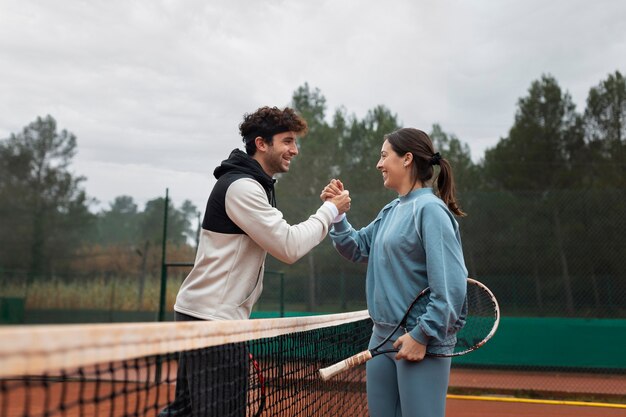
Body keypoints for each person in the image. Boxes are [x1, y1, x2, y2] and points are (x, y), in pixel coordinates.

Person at [160, 106, 351, 417]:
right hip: (213, 322)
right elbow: (288, 246)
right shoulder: (243, 188)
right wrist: (329, 211)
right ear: (261, 143)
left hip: (207, 316)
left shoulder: (254, 184)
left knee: (186, 412)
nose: (294, 150)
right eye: (287, 141)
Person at [321, 127, 467, 417]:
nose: (379, 164)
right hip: (381, 339)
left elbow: (451, 287)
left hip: (419, 341)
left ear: (407, 159)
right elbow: (358, 247)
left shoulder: (431, 211)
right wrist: (337, 215)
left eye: (384, 155)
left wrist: (422, 335)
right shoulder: (391, 210)